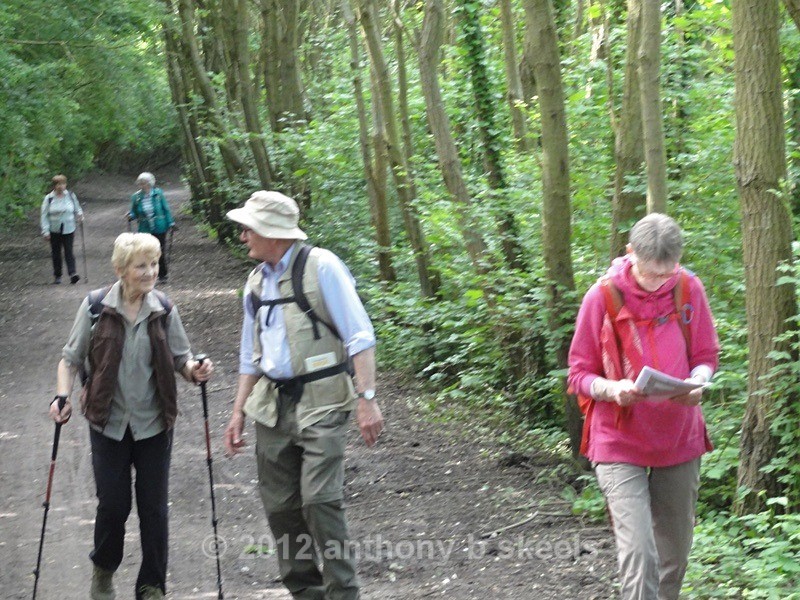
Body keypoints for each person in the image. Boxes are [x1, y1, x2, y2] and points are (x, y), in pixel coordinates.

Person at [223, 191, 384, 600]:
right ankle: (306, 593)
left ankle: (343, 592)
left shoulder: (322, 267)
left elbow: (360, 336)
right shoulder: (256, 281)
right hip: (273, 406)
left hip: (325, 399)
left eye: (249, 228)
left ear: (273, 233)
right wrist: (238, 412)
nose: (243, 236)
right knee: (280, 508)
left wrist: (367, 398)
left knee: (319, 500)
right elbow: (249, 354)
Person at [49, 232, 214, 600]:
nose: (150, 271)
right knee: (113, 504)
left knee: (154, 508)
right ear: (121, 270)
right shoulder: (95, 308)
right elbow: (70, 359)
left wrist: (194, 370)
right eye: (141, 265)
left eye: (154, 264)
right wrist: (62, 395)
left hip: (154, 424)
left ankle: (151, 584)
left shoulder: (164, 309)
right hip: (108, 423)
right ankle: (104, 571)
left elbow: (180, 358)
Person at [567, 213, 719, 600]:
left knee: (675, 552)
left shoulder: (688, 289)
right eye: (651, 274)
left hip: (678, 434)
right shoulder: (601, 296)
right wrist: (610, 388)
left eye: (667, 274)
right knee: (639, 553)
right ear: (630, 253)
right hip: (618, 437)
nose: (659, 282)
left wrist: (698, 382)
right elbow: (579, 373)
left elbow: (706, 355)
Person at [128, 172, 174, 283]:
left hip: (159, 226)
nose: (142, 185)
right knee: (145, 252)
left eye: (144, 183)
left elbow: (166, 209)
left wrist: (171, 222)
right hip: (144, 228)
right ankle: (147, 274)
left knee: (159, 250)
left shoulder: (158, 194)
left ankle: (163, 275)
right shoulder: (136, 197)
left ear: (150, 183)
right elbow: (133, 212)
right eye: (140, 183)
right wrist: (131, 216)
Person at [40, 174, 83, 284]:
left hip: (69, 228)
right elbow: (44, 215)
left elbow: (77, 208)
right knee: (56, 253)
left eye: (63, 183)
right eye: (58, 184)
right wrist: (45, 231)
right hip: (54, 230)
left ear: (65, 184)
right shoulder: (49, 199)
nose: (61, 186)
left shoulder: (70, 195)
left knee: (69, 251)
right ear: (54, 185)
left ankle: (73, 273)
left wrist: (80, 215)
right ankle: (58, 275)